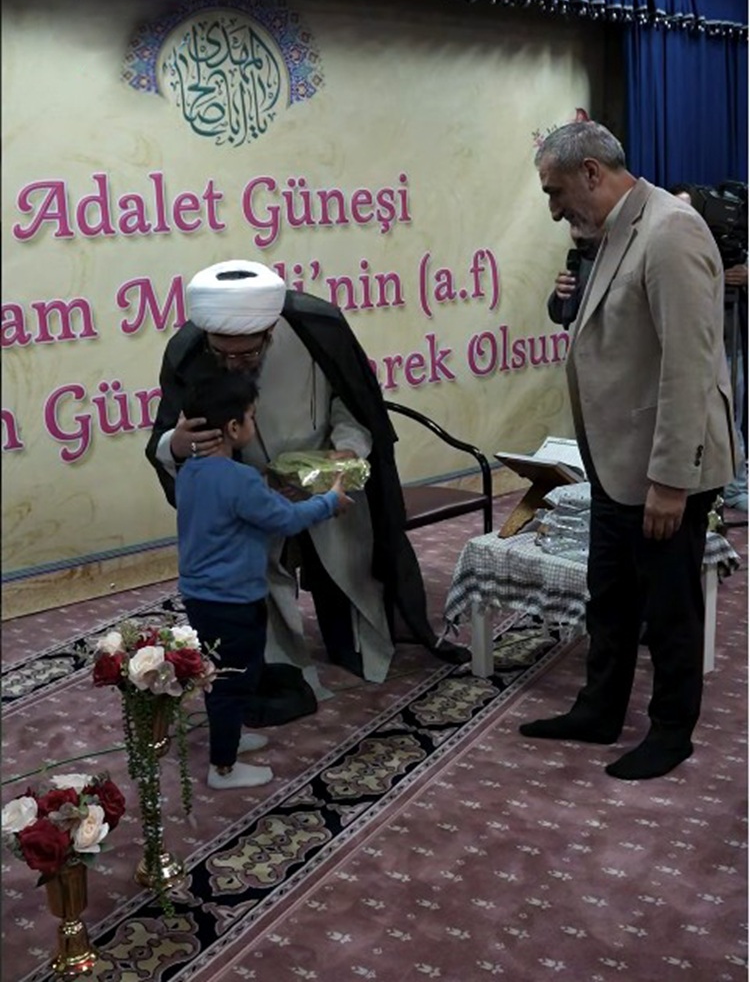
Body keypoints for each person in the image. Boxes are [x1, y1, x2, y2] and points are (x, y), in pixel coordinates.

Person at [146, 260, 467, 706]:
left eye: (246, 354)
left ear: (269, 331)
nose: (233, 364)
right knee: (262, 586)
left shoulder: (319, 328)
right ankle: (285, 673)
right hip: (251, 491)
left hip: (324, 474)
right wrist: (178, 445)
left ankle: (358, 649)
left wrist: (348, 450)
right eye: (222, 354)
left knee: (350, 565)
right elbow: (169, 436)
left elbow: (352, 402)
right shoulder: (188, 350)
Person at [519, 122, 736, 780]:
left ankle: (672, 731)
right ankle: (600, 709)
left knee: (669, 608)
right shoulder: (613, 231)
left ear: (591, 172)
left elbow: (689, 367)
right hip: (618, 461)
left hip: (664, 467)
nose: (554, 209)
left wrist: (670, 481)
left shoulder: (671, 231)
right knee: (610, 597)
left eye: (556, 192)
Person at [176, 362, 352, 790]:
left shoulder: (189, 472)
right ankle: (223, 767)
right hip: (234, 599)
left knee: (222, 673)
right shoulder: (240, 479)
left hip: (201, 597)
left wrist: (269, 495)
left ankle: (231, 738)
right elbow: (286, 520)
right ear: (234, 428)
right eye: (252, 417)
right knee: (232, 680)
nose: (254, 425)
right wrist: (330, 501)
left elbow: (240, 510)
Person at [669, 183, 748, 513]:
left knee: (730, 420)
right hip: (682, 350)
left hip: (728, 347)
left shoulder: (731, 249)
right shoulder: (667, 247)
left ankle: (736, 487)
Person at [546, 228, 601, 329]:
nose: (576, 234)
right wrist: (560, 295)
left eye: (583, 222)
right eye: (573, 225)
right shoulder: (579, 261)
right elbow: (557, 315)